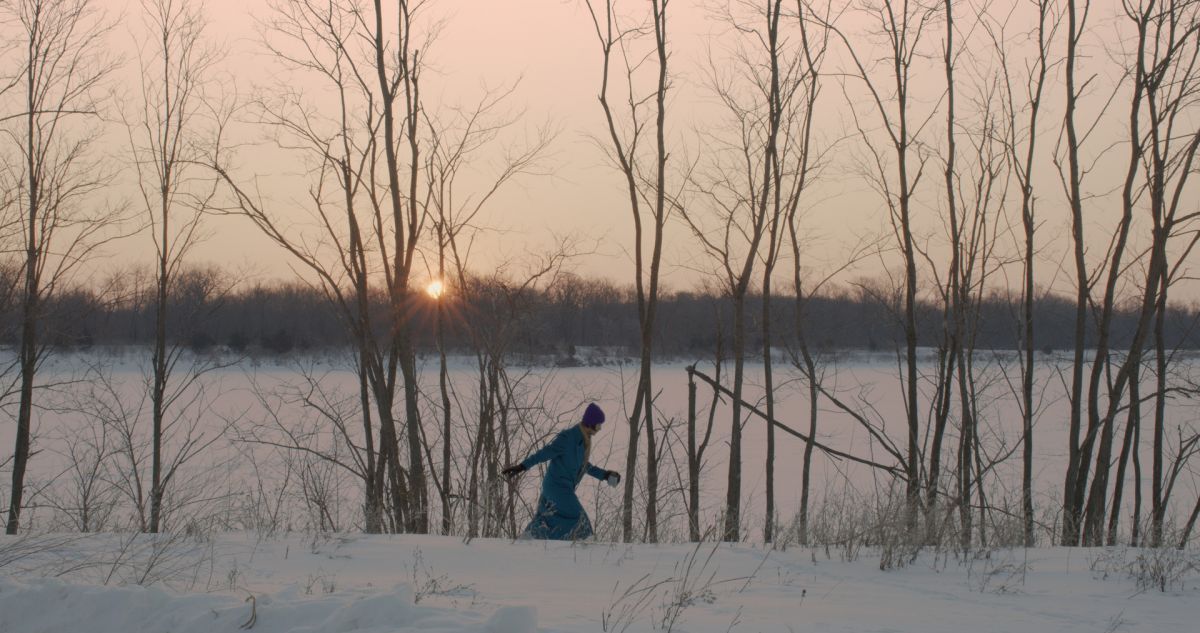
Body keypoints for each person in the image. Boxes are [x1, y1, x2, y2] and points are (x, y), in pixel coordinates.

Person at [501, 402, 620, 540]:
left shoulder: (583, 440)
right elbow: (545, 453)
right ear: (590, 423)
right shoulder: (568, 438)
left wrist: (605, 475)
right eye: (598, 424)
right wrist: (523, 466)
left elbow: (584, 466)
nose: (600, 428)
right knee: (578, 517)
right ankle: (585, 546)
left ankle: (531, 538)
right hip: (556, 487)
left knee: (549, 519)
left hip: (562, 488)